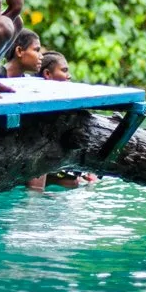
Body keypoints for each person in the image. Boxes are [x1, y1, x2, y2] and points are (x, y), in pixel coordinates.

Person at [28, 49, 98, 190]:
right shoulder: (35, 99)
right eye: (64, 71)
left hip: (57, 157)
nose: (69, 75)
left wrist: (88, 169)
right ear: (47, 74)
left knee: (73, 182)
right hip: (37, 153)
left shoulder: (69, 100)